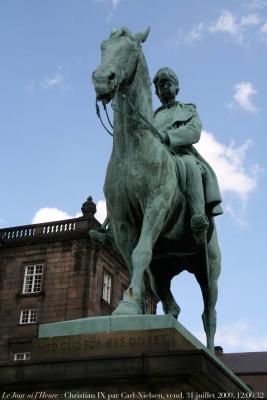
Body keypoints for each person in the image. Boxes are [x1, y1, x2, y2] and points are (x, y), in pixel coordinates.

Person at [153, 67, 222, 244]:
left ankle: (198, 218)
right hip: (153, 157)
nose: (165, 88)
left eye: (168, 84)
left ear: (177, 88)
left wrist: (168, 137)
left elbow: (193, 131)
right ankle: (114, 228)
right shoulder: (153, 115)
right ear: (157, 92)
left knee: (191, 166)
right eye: (161, 86)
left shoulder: (188, 110)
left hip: (179, 154)